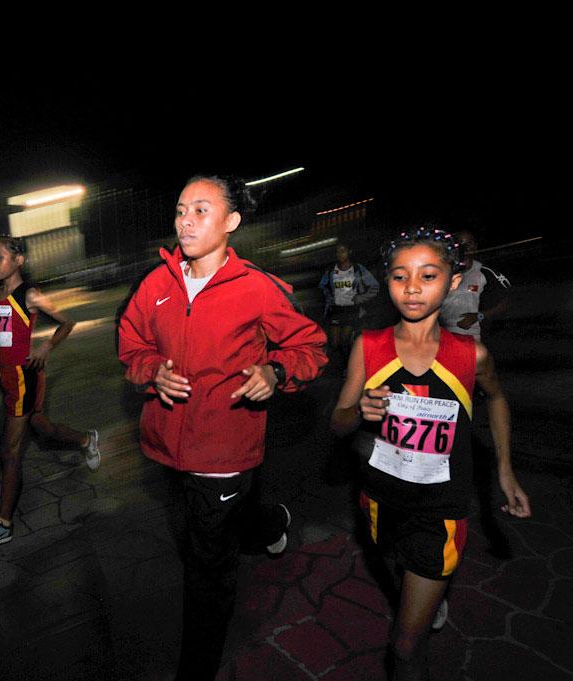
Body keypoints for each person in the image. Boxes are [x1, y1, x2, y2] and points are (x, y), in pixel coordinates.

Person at [117, 175, 327, 681]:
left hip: (226, 451)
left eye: (201, 210)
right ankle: (271, 522)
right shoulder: (156, 284)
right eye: (181, 209)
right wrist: (152, 372)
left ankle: (197, 669)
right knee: (205, 532)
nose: (185, 221)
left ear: (231, 223)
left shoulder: (257, 288)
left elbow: (311, 348)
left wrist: (274, 373)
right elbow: (132, 344)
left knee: (207, 567)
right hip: (166, 446)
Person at [330, 225, 530, 681]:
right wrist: (357, 411)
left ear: (453, 282)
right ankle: (422, 594)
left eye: (428, 275)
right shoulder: (369, 346)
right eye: (401, 277)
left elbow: (496, 399)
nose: (413, 288)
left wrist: (504, 470)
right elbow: (338, 422)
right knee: (397, 570)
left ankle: (423, 605)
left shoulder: (471, 355)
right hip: (378, 501)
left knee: (404, 647)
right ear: (387, 282)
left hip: (439, 511)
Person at [0, 236, 101, 549]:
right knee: (42, 427)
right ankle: (86, 440)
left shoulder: (30, 295)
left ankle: (3, 524)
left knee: (8, 452)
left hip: (24, 376)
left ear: (18, 261)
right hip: (5, 378)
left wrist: (46, 344)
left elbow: (67, 322)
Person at [439, 230, 510, 339]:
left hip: (476, 339)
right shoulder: (441, 273)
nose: (466, 248)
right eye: (461, 243)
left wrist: (480, 316)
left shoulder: (486, 273)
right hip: (443, 338)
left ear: (475, 246)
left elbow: (504, 304)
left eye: (469, 243)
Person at [318, 243, 381, 361]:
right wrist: (329, 297)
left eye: (343, 251)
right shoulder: (331, 270)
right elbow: (322, 286)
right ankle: (345, 364)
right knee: (335, 343)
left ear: (349, 252)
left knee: (344, 340)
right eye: (338, 252)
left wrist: (361, 298)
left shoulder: (357, 269)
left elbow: (374, 286)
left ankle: (350, 366)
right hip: (336, 309)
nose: (340, 254)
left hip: (352, 309)